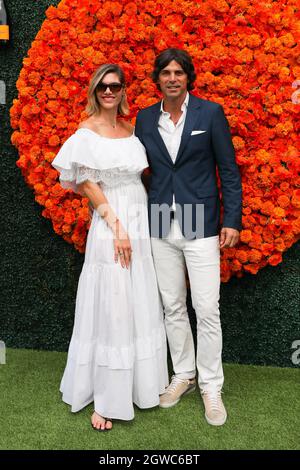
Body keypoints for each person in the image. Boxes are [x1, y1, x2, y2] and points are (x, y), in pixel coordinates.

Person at [51, 64, 169, 431]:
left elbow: (144, 178)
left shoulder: (132, 131)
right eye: (102, 86)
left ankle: (139, 385)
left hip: (139, 217)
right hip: (110, 223)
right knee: (113, 301)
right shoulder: (86, 131)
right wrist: (116, 225)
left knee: (137, 298)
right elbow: (86, 183)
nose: (108, 91)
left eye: (115, 86)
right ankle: (105, 398)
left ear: (123, 91)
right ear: (94, 90)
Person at [135, 48, 242, 426]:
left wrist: (232, 220)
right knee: (172, 305)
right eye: (166, 72)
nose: (173, 78)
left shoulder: (210, 113)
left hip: (201, 219)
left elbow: (228, 169)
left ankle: (212, 385)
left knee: (207, 307)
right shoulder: (145, 118)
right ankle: (184, 374)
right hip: (161, 219)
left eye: (179, 72)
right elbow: (142, 170)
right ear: (158, 79)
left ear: (188, 77)